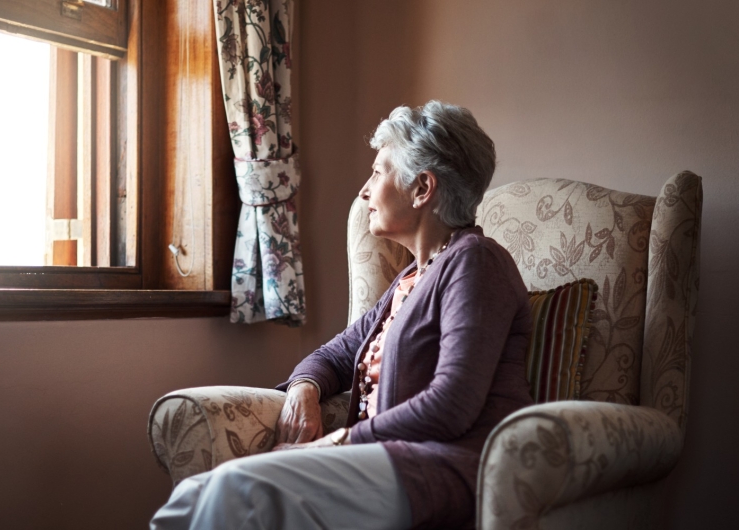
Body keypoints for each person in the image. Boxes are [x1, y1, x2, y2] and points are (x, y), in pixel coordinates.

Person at [150, 101, 533, 530]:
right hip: (384, 462)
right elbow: (336, 354)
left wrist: (337, 441)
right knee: (191, 496)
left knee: (237, 486)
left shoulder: (475, 262)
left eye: (377, 172)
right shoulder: (411, 279)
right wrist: (305, 389)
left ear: (423, 188)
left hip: (448, 467)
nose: (364, 191)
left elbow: (453, 404)